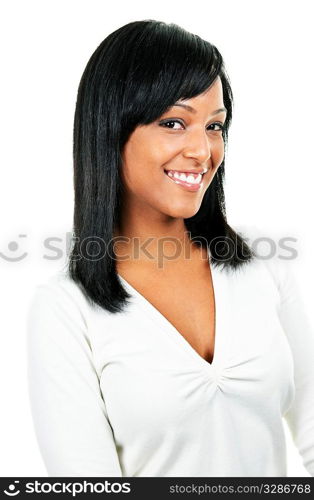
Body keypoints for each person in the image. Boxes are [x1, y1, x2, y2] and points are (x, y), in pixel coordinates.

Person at [26, 19, 314, 477]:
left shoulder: (263, 264)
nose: (203, 151)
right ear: (111, 130)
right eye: (174, 122)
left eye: (215, 126)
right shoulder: (66, 309)